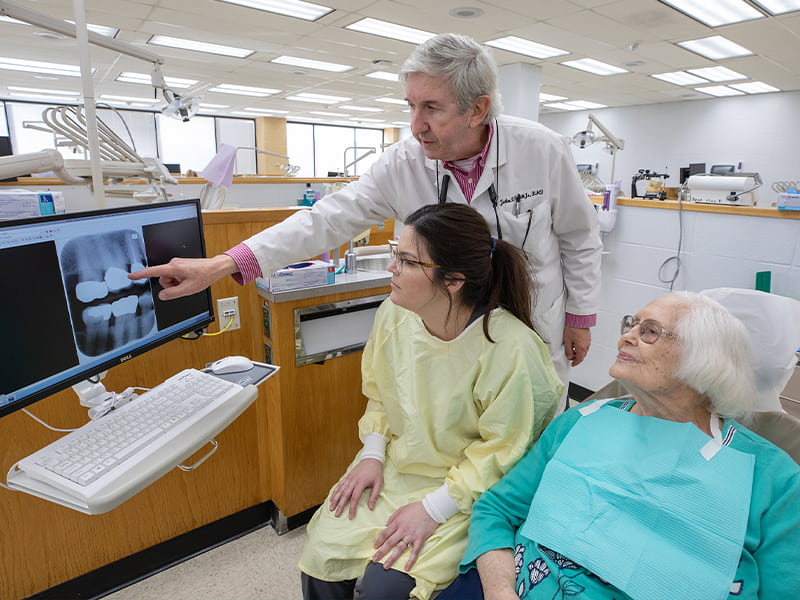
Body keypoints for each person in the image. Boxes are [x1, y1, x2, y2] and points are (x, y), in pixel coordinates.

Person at [129, 33, 602, 400]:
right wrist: (222, 264)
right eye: (411, 106)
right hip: (450, 332)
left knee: (533, 441)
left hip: (532, 321)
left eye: (431, 108)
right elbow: (326, 219)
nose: (415, 125)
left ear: (478, 109)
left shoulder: (540, 149)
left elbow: (579, 238)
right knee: (465, 450)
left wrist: (579, 316)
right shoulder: (403, 163)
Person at [441, 291, 800, 600]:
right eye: (631, 324)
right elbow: (496, 510)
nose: (626, 337)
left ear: (703, 359)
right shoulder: (580, 420)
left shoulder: (774, 480)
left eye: (649, 331)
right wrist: (500, 589)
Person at [298, 203, 563, 600]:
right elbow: (379, 394)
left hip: (467, 489)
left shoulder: (510, 348)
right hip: (398, 467)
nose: (391, 268)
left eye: (405, 260)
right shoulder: (394, 314)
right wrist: (371, 453)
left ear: (453, 280)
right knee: (322, 556)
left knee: (387, 587)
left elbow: (504, 453)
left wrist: (433, 510)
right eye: (394, 254)